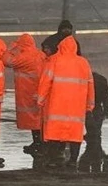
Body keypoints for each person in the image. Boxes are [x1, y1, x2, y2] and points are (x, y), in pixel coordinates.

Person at [36, 35, 94, 168]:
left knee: (54, 132)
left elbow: (45, 82)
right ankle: (73, 160)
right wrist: (90, 105)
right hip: (76, 106)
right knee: (75, 134)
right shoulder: (83, 63)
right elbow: (90, 85)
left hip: (57, 104)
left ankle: (53, 159)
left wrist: (40, 99)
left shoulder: (55, 61)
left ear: (60, 47)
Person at [5, 33, 46, 156]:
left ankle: (39, 143)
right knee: (40, 118)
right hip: (40, 90)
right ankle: (40, 143)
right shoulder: (41, 55)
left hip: (28, 91)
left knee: (34, 120)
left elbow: (7, 61)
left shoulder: (24, 57)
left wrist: (11, 49)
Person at [79, 71, 108, 172]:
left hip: (86, 106)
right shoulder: (101, 80)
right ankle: (94, 138)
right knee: (96, 133)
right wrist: (106, 111)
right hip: (97, 107)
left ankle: (91, 138)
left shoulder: (85, 80)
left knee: (92, 133)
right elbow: (106, 98)